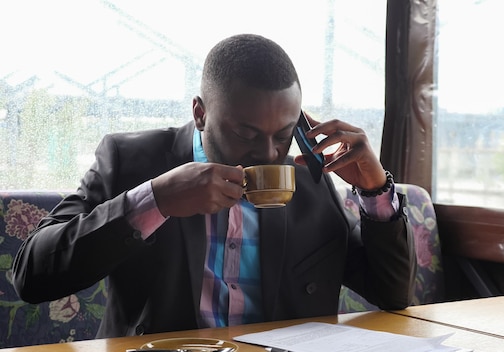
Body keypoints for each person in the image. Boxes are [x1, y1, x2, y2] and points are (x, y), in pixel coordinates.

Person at [12, 34, 416, 338]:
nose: (269, 153)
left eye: (285, 133)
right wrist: (157, 200)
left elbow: (392, 294)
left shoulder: (308, 178)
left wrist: (374, 190)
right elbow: (32, 275)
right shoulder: (131, 160)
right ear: (200, 113)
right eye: (246, 132)